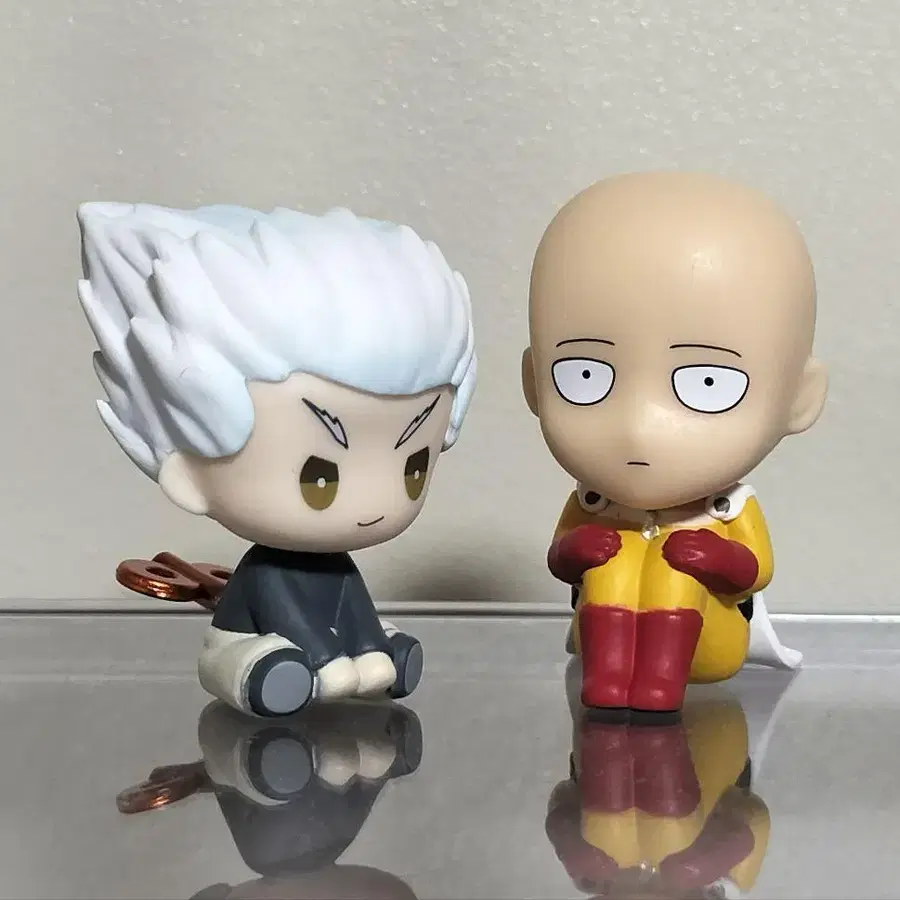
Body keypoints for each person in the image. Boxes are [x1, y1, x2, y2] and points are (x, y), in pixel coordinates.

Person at [78, 202, 476, 716]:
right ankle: (285, 674)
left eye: (413, 469)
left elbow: (353, 604)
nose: (375, 502)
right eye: (320, 478)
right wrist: (327, 658)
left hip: (327, 646)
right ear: (187, 471)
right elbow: (287, 616)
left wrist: (369, 643)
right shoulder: (268, 574)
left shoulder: (338, 567)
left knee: (369, 640)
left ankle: (370, 652)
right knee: (259, 660)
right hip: (250, 642)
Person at [522, 172, 827, 715]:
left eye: (708, 384)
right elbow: (562, 556)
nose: (638, 427)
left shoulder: (730, 508)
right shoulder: (594, 501)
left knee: (673, 572)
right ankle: (608, 677)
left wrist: (716, 556)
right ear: (533, 383)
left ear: (799, 399)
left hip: (710, 645)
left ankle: (660, 682)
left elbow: (755, 570)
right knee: (613, 565)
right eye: (584, 376)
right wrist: (578, 551)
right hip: (605, 630)